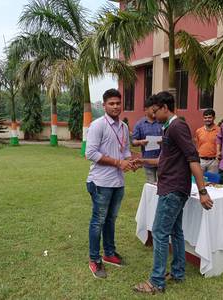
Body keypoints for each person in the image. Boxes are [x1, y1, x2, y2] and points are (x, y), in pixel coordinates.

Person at [133, 91, 213, 294]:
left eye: (154, 111)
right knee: (176, 231)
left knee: (160, 232)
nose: (152, 115)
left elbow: (192, 157)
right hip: (171, 187)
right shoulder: (169, 128)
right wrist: (142, 161)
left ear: (164, 108)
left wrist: (203, 191)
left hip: (174, 189)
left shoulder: (178, 126)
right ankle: (177, 272)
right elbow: (164, 160)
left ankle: (156, 282)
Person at [85, 88, 135, 279]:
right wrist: (117, 162)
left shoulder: (123, 127)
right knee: (98, 221)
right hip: (100, 182)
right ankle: (94, 260)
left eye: (118, 103)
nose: (115, 106)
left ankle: (109, 254)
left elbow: (125, 151)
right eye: (111, 103)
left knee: (110, 220)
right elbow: (90, 153)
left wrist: (130, 161)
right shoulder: (98, 125)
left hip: (117, 182)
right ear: (104, 105)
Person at [132, 96, 162, 183]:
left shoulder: (161, 121)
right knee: (151, 185)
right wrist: (141, 142)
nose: (155, 110)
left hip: (162, 160)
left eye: (156, 108)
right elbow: (133, 141)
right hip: (148, 160)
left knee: (163, 185)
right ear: (146, 109)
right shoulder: (139, 124)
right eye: (153, 108)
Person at [195, 109, 219, 173]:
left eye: (209, 117)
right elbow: (197, 145)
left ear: (214, 118)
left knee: (212, 182)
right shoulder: (198, 131)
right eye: (205, 118)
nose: (207, 119)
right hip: (201, 160)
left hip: (213, 161)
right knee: (199, 180)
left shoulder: (219, 130)